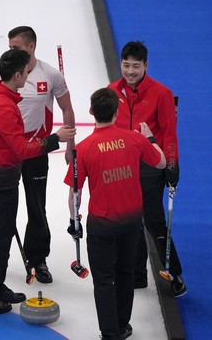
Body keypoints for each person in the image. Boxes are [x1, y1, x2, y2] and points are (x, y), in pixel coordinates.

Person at [0, 48, 75, 315]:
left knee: (3, 234)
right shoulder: (5, 106)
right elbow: (22, 149)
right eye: (26, 74)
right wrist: (55, 139)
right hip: (1, 177)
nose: (28, 77)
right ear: (17, 75)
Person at [64, 87, 166, 340]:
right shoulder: (134, 139)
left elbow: (74, 195)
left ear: (91, 112)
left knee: (104, 281)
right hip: (131, 223)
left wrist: (73, 221)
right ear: (117, 111)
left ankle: (110, 333)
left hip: (102, 226)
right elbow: (162, 162)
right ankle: (122, 325)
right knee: (125, 273)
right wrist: (151, 139)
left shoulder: (85, 149)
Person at [107, 41, 186, 297]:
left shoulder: (161, 93)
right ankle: (136, 274)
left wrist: (172, 165)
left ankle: (174, 273)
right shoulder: (111, 91)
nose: (130, 71)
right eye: (126, 65)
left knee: (153, 221)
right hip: (121, 167)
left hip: (151, 166)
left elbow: (169, 133)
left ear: (146, 66)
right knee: (129, 221)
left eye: (136, 66)